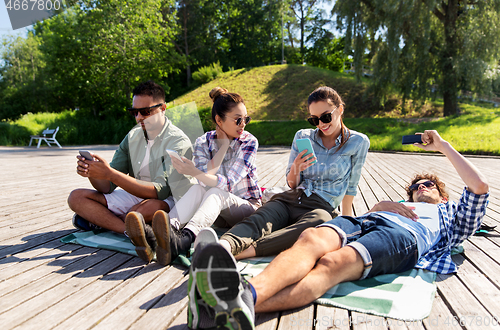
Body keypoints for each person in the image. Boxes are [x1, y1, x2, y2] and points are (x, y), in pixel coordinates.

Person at [189, 130, 489, 330]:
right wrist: (382, 204)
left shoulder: (451, 215)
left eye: (429, 185)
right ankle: (227, 308)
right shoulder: (396, 203)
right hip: (366, 221)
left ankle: (244, 299)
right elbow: (364, 213)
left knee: (333, 263)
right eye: (415, 186)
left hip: (404, 238)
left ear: (443, 195)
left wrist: (442, 146)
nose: (421, 188)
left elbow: (479, 187)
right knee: (311, 238)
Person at [216, 86, 370, 260]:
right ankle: (223, 246)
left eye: (326, 117)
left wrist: (347, 222)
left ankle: (243, 253)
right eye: (314, 120)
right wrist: (297, 167)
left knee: (320, 222)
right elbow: (292, 184)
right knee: (259, 219)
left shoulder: (358, 142)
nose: (321, 124)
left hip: (321, 207)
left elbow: (351, 186)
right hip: (291, 198)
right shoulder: (303, 136)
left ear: (340, 109)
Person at [125, 87, 262, 266]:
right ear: (219, 120)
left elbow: (227, 184)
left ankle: (184, 240)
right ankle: (166, 233)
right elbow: (203, 180)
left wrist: (196, 171)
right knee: (197, 188)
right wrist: (222, 147)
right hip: (215, 214)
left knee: (215, 192)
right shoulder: (203, 142)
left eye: (246, 119)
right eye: (238, 120)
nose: (243, 124)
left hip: (246, 208)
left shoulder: (248, 142)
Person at [67, 80, 196, 237]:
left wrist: (110, 174)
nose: (139, 117)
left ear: (163, 108)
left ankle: (109, 221)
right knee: (76, 197)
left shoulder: (178, 142)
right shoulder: (133, 136)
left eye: (145, 111)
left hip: (171, 199)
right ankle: (129, 230)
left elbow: (160, 192)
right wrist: (93, 173)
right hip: (137, 194)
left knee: (141, 211)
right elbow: (107, 186)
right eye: (134, 112)